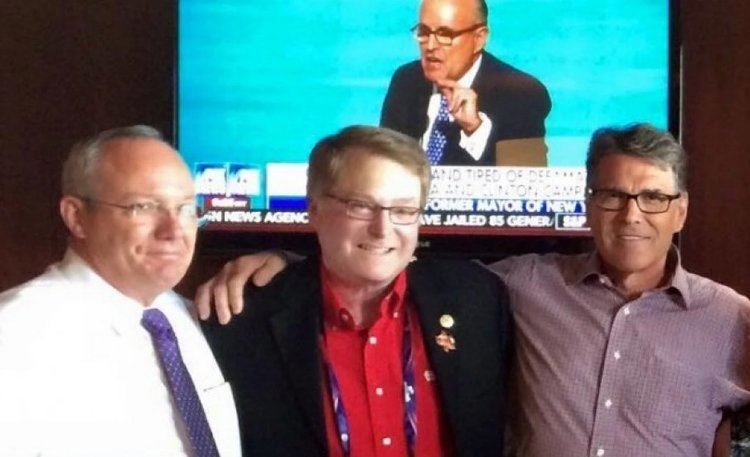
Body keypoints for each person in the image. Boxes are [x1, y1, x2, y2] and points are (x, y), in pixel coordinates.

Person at [197, 123, 750, 456]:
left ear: (681, 211)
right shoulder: (518, 286)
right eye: (612, 196)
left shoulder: (731, 319)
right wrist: (289, 262)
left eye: (653, 197)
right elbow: (366, 260)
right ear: (587, 204)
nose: (632, 215)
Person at [201, 126, 512, 456]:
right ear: (315, 210)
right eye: (361, 206)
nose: (382, 230)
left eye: (404, 210)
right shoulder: (242, 316)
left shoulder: (479, 299)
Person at [0, 126, 240, 456]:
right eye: (143, 207)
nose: (173, 230)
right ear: (77, 217)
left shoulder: (194, 319)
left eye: (185, 208)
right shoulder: (15, 336)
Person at [380, 0, 551, 166]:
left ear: (479, 38)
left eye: (445, 34)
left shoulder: (522, 95)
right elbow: (383, 165)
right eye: (423, 32)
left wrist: (475, 130)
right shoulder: (406, 81)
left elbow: (527, 185)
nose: (430, 45)